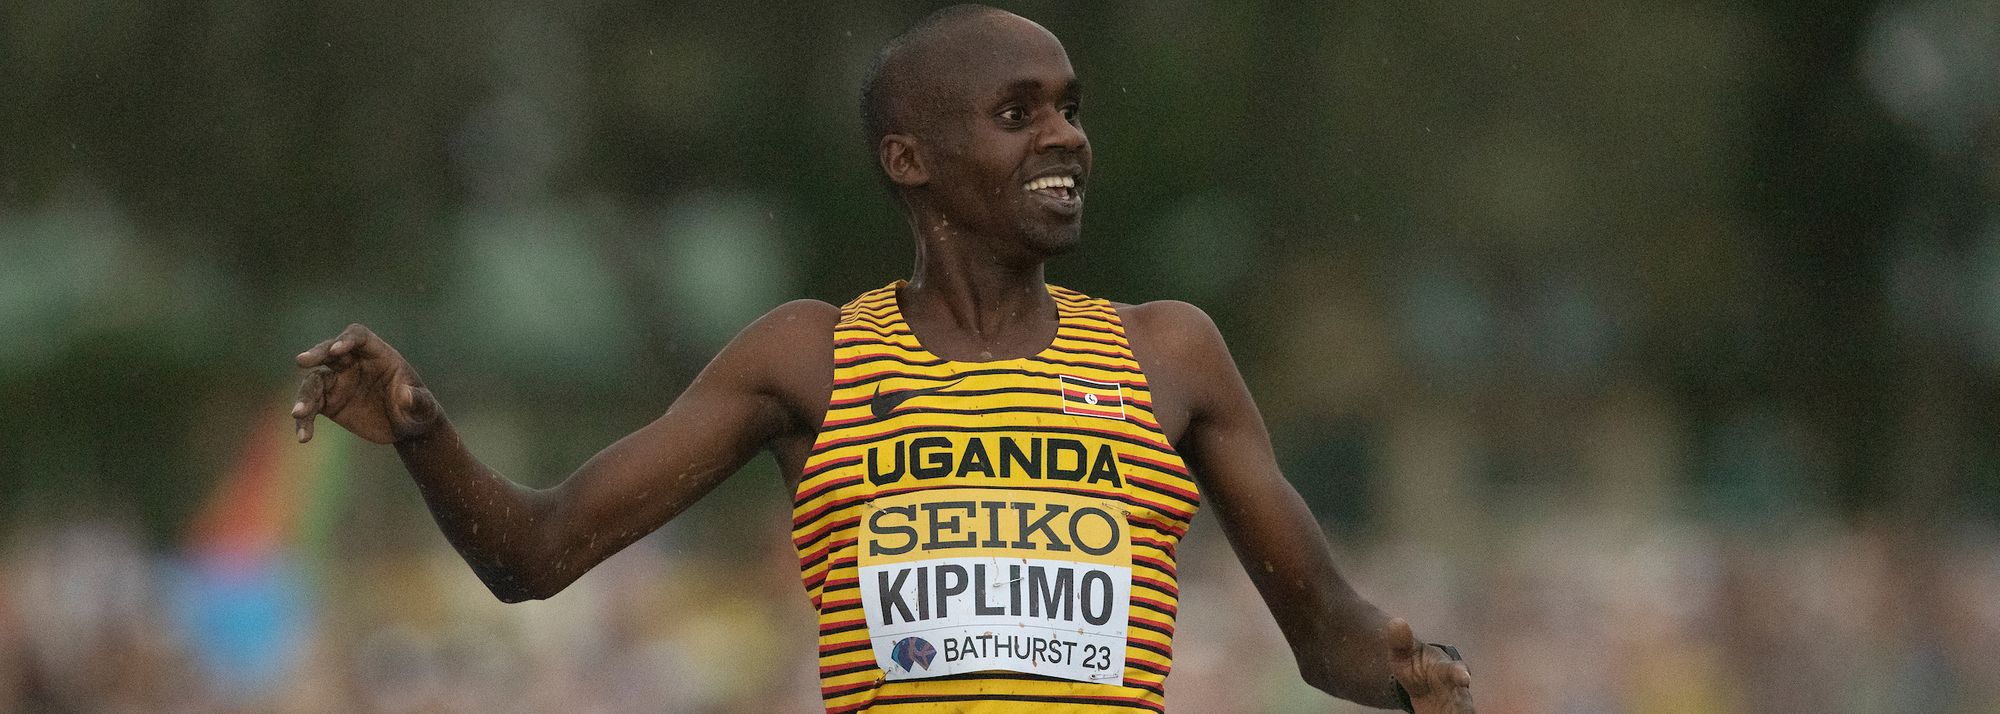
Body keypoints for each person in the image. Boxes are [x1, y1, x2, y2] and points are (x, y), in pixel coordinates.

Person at [290, 5, 1475, 712]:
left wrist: (1414, 677)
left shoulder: (1168, 354)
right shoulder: (804, 359)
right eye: (1019, 113)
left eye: (1069, 107)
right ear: (909, 161)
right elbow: (534, 556)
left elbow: (1326, 633)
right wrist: (422, 433)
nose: (1064, 134)